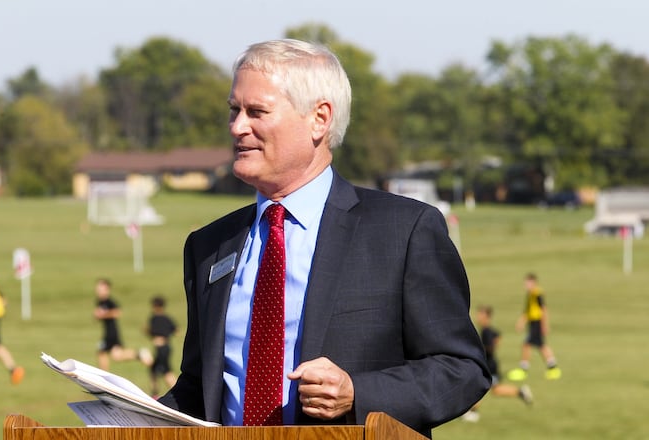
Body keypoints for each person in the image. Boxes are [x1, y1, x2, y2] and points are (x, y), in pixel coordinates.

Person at [158, 39, 490, 437]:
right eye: (234, 110)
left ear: (319, 119)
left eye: (256, 112)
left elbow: (462, 370)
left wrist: (357, 392)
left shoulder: (403, 230)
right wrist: (125, 412)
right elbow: (201, 389)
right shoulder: (209, 246)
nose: (237, 127)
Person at [461, 305, 532, 422]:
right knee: (495, 390)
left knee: (480, 387)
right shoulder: (487, 330)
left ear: (486, 316)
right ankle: (521, 392)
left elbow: (491, 346)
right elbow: (498, 335)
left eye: (480, 314)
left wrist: (480, 349)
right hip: (489, 364)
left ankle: (472, 413)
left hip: (488, 365)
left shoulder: (486, 331)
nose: (478, 317)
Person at [507, 273, 561, 381]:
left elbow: (544, 309)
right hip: (533, 322)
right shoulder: (530, 294)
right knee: (541, 345)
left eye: (528, 282)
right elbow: (527, 310)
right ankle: (553, 367)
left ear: (534, 282)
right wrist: (521, 322)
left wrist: (545, 325)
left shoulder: (537, 293)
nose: (526, 285)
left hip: (537, 322)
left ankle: (524, 369)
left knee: (527, 344)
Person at [93, 278, 153, 371]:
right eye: (98, 288)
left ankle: (103, 376)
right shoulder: (100, 301)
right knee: (117, 356)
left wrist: (102, 315)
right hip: (108, 331)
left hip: (111, 332)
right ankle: (140, 354)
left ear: (107, 289)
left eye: (100, 288)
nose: (98, 290)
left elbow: (117, 312)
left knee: (101, 352)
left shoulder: (109, 301)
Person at [146, 295, 177, 396]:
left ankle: (177, 391)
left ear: (155, 306)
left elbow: (151, 331)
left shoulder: (154, 318)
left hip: (161, 348)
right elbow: (176, 330)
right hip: (167, 347)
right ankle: (154, 394)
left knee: (166, 372)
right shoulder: (167, 318)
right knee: (154, 370)